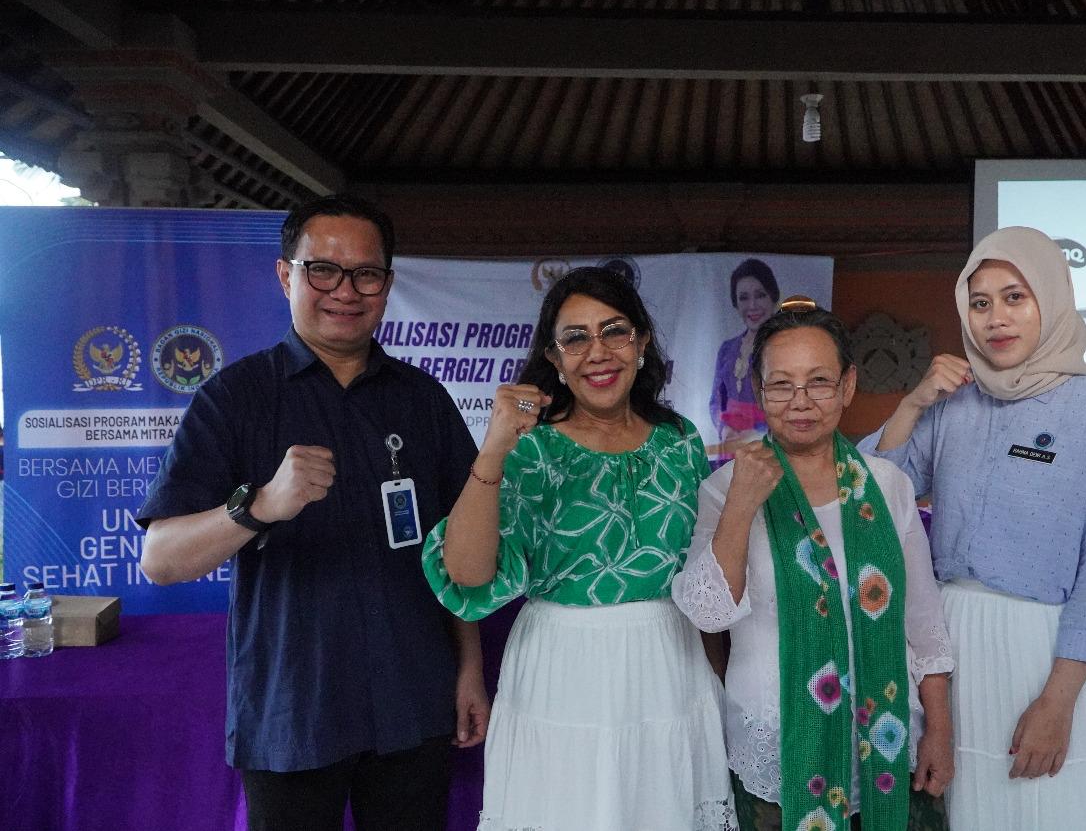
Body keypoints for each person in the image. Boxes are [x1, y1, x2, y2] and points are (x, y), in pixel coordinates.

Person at [138, 193, 489, 831]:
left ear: (387, 284)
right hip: (292, 710)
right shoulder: (234, 397)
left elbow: (457, 552)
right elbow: (160, 560)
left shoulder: (423, 399)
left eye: (366, 274)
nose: (345, 291)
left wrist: (469, 668)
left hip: (413, 699)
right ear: (285, 275)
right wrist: (259, 506)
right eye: (322, 270)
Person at [422, 266, 737, 830]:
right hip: (563, 669)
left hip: (670, 664)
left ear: (641, 341)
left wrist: (715, 680)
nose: (598, 352)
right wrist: (493, 449)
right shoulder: (529, 448)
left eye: (614, 331)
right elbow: (466, 576)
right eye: (576, 338)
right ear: (554, 358)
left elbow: (701, 573)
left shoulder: (681, 441)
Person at [858, 226, 1086, 831]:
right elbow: (873, 500)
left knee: (1053, 811)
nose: (996, 318)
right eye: (980, 302)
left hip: (1049, 653)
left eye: (1015, 297)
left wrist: (1057, 702)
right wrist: (912, 404)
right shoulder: (954, 403)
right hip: (952, 646)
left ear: (1053, 297)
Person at [674, 298, 955, 831]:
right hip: (776, 749)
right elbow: (710, 614)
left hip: (885, 743)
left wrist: (939, 730)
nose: (800, 401)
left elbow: (924, 623)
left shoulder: (887, 486)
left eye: (819, 382)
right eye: (781, 385)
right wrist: (741, 504)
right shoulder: (724, 488)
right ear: (760, 392)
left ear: (847, 386)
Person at [710, 258, 780, 466]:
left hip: (770, 449)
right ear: (735, 303)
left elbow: (791, 404)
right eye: (743, 298)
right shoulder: (727, 348)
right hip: (729, 449)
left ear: (773, 297)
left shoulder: (784, 350)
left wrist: (756, 434)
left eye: (760, 295)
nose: (752, 306)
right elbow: (716, 400)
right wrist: (724, 429)